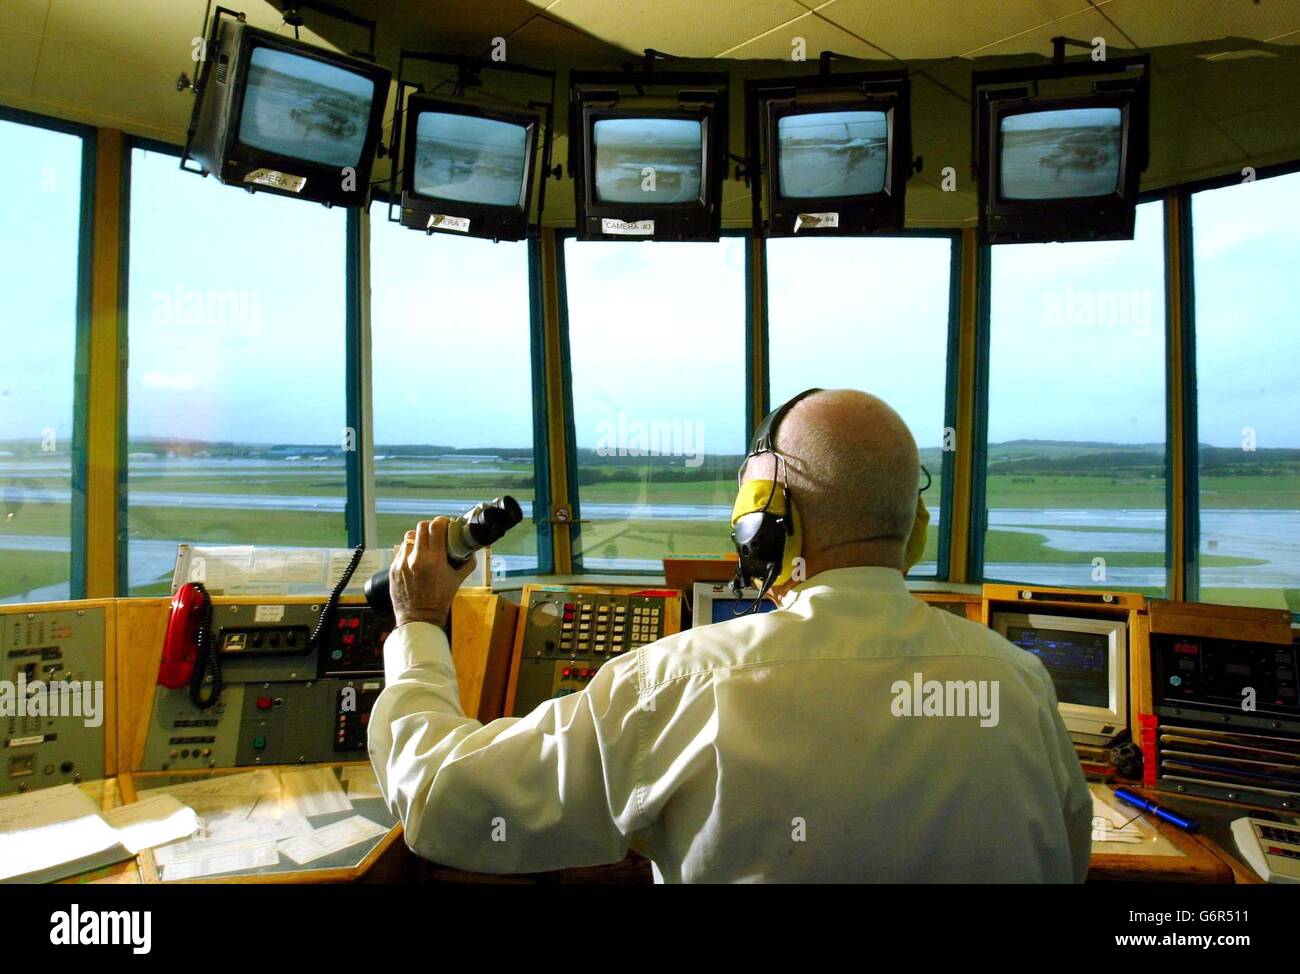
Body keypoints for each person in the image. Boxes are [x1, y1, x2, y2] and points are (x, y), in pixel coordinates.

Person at [367, 389, 1092, 882]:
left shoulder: (677, 685)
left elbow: (440, 798)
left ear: (763, 523)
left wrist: (420, 627)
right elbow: (1071, 859)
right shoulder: (1019, 685)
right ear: (915, 532)